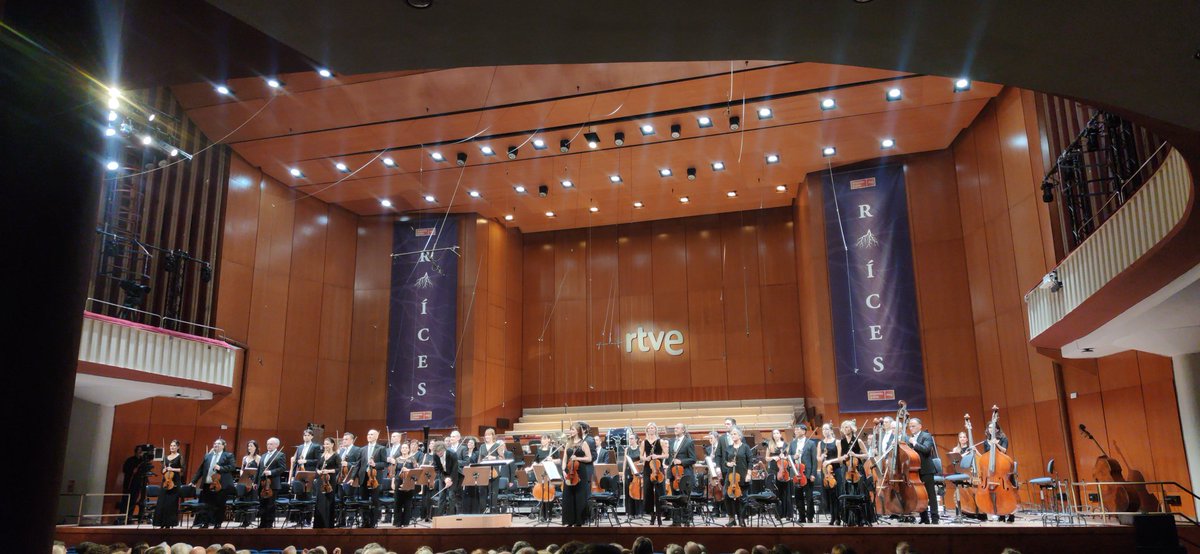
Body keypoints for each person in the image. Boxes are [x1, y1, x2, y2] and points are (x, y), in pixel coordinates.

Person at [190, 438, 235, 528]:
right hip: (208, 484)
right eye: (215, 443)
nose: (216, 445)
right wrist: (193, 481)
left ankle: (217, 523)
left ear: (223, 446)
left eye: (218, 444)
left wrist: (221, 468)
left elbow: (232, 467)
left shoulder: (228, 455)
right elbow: (201, 469)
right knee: (206, 505)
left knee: (219, 505)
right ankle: (205, 523)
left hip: (221, 485)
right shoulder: (208, 456)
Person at [907, 417, 939, 524]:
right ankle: (924, 518)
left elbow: (926, 450)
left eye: (913, 426)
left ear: (920, 426)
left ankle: (935, 518)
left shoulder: (926, 436)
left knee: (931, 495)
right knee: (920, 495)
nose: (911, 428)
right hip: (915, 471)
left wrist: (915, 443)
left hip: (927, 469)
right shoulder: (909, 439)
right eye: (910, 426)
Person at [561, 422, 593, 527]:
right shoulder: (568, 443)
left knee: (579, 496)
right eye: (571, 429)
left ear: (578, 431)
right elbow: (565, 458)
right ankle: (569, 520)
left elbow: (589, 458)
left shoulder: (583, 443)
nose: (571, 431)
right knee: (568, 495)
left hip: (580, 472)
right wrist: (563, 469)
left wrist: (577, 458)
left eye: (573, 429)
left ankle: (579, 521)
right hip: (569, 471)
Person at [639, 423, 670, 526]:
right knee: (648, 491)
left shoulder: (660, 441)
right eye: (649, 428)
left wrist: (658, 456)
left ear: (655, 429)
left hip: (658, 468)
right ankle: (652, 515)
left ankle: (659, 514)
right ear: (647, 430)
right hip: (648, 468)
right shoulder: (644, 442)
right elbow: (641, 456)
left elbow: (667, 454)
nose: (651, 429)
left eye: (652, 428)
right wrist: (645, 458)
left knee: (659, 492)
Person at [667, 423, 696, 526]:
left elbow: (693, 459)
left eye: (678, 428)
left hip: (684, 474)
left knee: (684, 498)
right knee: (674, 498)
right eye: (675, 428)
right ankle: (676, 521)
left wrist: (681, 461)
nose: (675, 429)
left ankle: (686, 520)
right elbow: (670, 458)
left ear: (683, 430)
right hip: (673, 474)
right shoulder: (671, 442)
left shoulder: (689, 442)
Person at [721, 427, 751, 526]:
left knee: (741, 498)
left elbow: (750, 461)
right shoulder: (728, 448)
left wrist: (749, 474)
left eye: (734, 434)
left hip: (742, 475)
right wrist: (728, 464)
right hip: (730, 476)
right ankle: (731, 518)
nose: (733, 436)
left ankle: (741, 518)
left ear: (739, 435)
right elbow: (724, 461)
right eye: (732, 434)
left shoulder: (745, 447)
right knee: (726, 496)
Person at [358, 429, 387, 527]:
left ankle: (373, 522)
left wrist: (375, 464)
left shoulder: (381, 448)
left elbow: (384, 464)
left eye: (371, 434)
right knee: (364, 500)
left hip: (375, 478)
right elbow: (358, 464)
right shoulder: (362, 449)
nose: (369, 436)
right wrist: (352, 477)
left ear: (376, 436)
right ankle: (364, 521)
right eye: (368, 434)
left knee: (375, 501)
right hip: (364, 477)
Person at [153, 440, 184, 529]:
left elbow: (182, 469)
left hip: (174, 482)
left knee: (171, 503)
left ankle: (169, 523)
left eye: (174, 446)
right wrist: (164, 470)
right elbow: (162, 470)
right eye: (171, 445)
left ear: (178, 447)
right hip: (165, 481)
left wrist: (172, 469)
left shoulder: (180, 457)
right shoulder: (166, 457)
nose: (172, 447)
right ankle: (161, 523)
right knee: (162, 502)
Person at [791, 423, 818, 523]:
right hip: (796, 473)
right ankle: (801, 517)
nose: (796, 431)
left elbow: (814, 461)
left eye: (798, 429)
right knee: (798, 497)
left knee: (809, 497)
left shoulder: (810, 443)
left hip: (807, 473)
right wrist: (794, 457)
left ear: (803, 431)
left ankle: (810, 517)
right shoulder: (793, 443)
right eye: (795, 430)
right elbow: (790, 456)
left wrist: (813, 474)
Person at [257, 437, 286, 528]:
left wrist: (271, 472)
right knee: (262, 505)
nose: (268, 446)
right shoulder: (263, 455)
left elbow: (282, 468)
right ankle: (262, 524)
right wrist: (255, 482)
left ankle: (268, 525)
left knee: (270, 505)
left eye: (271, 444)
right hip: (262, 484)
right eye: (268, 444)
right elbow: (259, 470)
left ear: (277, 445)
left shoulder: (280, 455)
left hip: (272, 485)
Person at [817, 423, 843, 524]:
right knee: (828, 495)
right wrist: (822, 457)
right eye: (823, 429)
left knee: (836, 494)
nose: (825, 431)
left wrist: (830, 461)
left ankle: (838, 517)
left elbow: (840, 458)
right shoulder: (820, 443)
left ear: (831, 430)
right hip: (825, 472)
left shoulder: (837, 442)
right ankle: (832, 516)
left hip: (835, 470)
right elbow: (818, 458)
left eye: (827, 429)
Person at [118, 445, 151, 524]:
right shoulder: (130, 460)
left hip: (138, 483)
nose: (140, 452)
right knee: (126, 500)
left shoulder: (142, 461)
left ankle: (129, 517)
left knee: (134, 500)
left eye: (141, 450)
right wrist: (133, 470)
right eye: (139, 450)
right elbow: (125, 470)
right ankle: (122, 518)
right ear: (136, 451)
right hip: (130, 483)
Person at [765, 429, 793, 521]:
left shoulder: (786, 445)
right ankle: (778, 514)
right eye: (774, 434)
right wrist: (773, 457)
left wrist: (784, 457)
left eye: (777, 433)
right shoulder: (770, 445)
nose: (776, 435)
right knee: (776, 492)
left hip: (784, 468)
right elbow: (766, 458)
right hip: (774, 469)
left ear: (780, 434)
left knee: (786, 492)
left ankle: (788, 514)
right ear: (772, 436)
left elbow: (789, 457)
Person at [314, 437, 341, 528]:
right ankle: (318, 525)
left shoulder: (336, 455)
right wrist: (318, 471)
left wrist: (328, 471)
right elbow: (317, 467)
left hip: (330, 481)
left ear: (332, 444)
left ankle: (327, 525)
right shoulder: (321, 455)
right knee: (319, 501)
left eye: (328, 444)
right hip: (320, 480)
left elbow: (339, 469)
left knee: (328, 501)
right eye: (325, 444)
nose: (325, 446)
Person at [336, 432, 361, 527]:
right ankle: (341, 520)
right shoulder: (341, 451)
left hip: (351, 478)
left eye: (346, 439)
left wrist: (348, 464)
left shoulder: (357, 450)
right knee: (340, 500)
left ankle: (350, 520)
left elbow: (358, 464)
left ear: (352, 440)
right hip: (341, 478)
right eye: (343, 439)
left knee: (350, 500)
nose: (344, 441)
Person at [391, 441, 418, 526]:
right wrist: (393, 482)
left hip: (409, 482)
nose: (404, 449)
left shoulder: (412, 459)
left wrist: (408, 470)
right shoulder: (397, 459)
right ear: (401, 449)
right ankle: (397, 522)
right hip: (398, 481)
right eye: (403, 448)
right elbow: (393, 473)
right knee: (398, 502)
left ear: (409, 449)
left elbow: (416, 471)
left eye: (406, 447)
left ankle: (406, 522)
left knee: (407, 503)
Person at [430, 441, 459, 516]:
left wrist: (450, 479)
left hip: (453, 475)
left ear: (444, 449)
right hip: (443, 475)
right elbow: (437, 469)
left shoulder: (452, 454)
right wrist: (445, 479)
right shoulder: (435, 455)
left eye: (440, 452)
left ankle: (451, 516)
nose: (439, 454)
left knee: (451, 495)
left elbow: (455, 469)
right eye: (437, 452)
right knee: (441, 496)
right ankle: (440, 517)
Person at [460, 436, 482, 514]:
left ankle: (474, 511)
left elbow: (476, 463)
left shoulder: (476, 453)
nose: (469, 444)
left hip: (473, 474)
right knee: (465, 492)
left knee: (473, 491)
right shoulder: (464, 452)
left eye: (471, 443)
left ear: (474, 445)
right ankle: (466, 510)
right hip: (464, 473)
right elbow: (461, 462)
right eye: (468, 442)